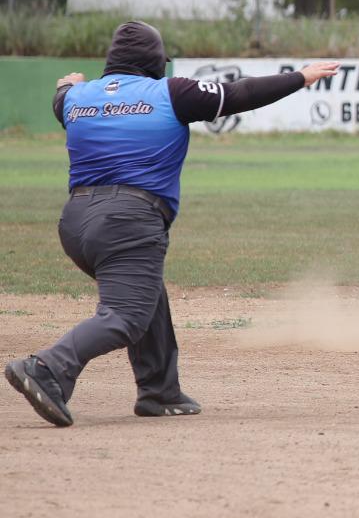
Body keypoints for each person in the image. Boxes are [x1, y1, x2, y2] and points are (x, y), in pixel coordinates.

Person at [5, 21, 338, 427]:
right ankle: (48, 367)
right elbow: (241, 93)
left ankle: (159, 391)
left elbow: (62, 97)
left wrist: (66, 84)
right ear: (155, 61)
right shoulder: (172, 93)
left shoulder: (75, 98)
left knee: (147, 293)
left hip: (75, 223)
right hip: (128, 220)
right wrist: (300, 77)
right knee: (125, 315)